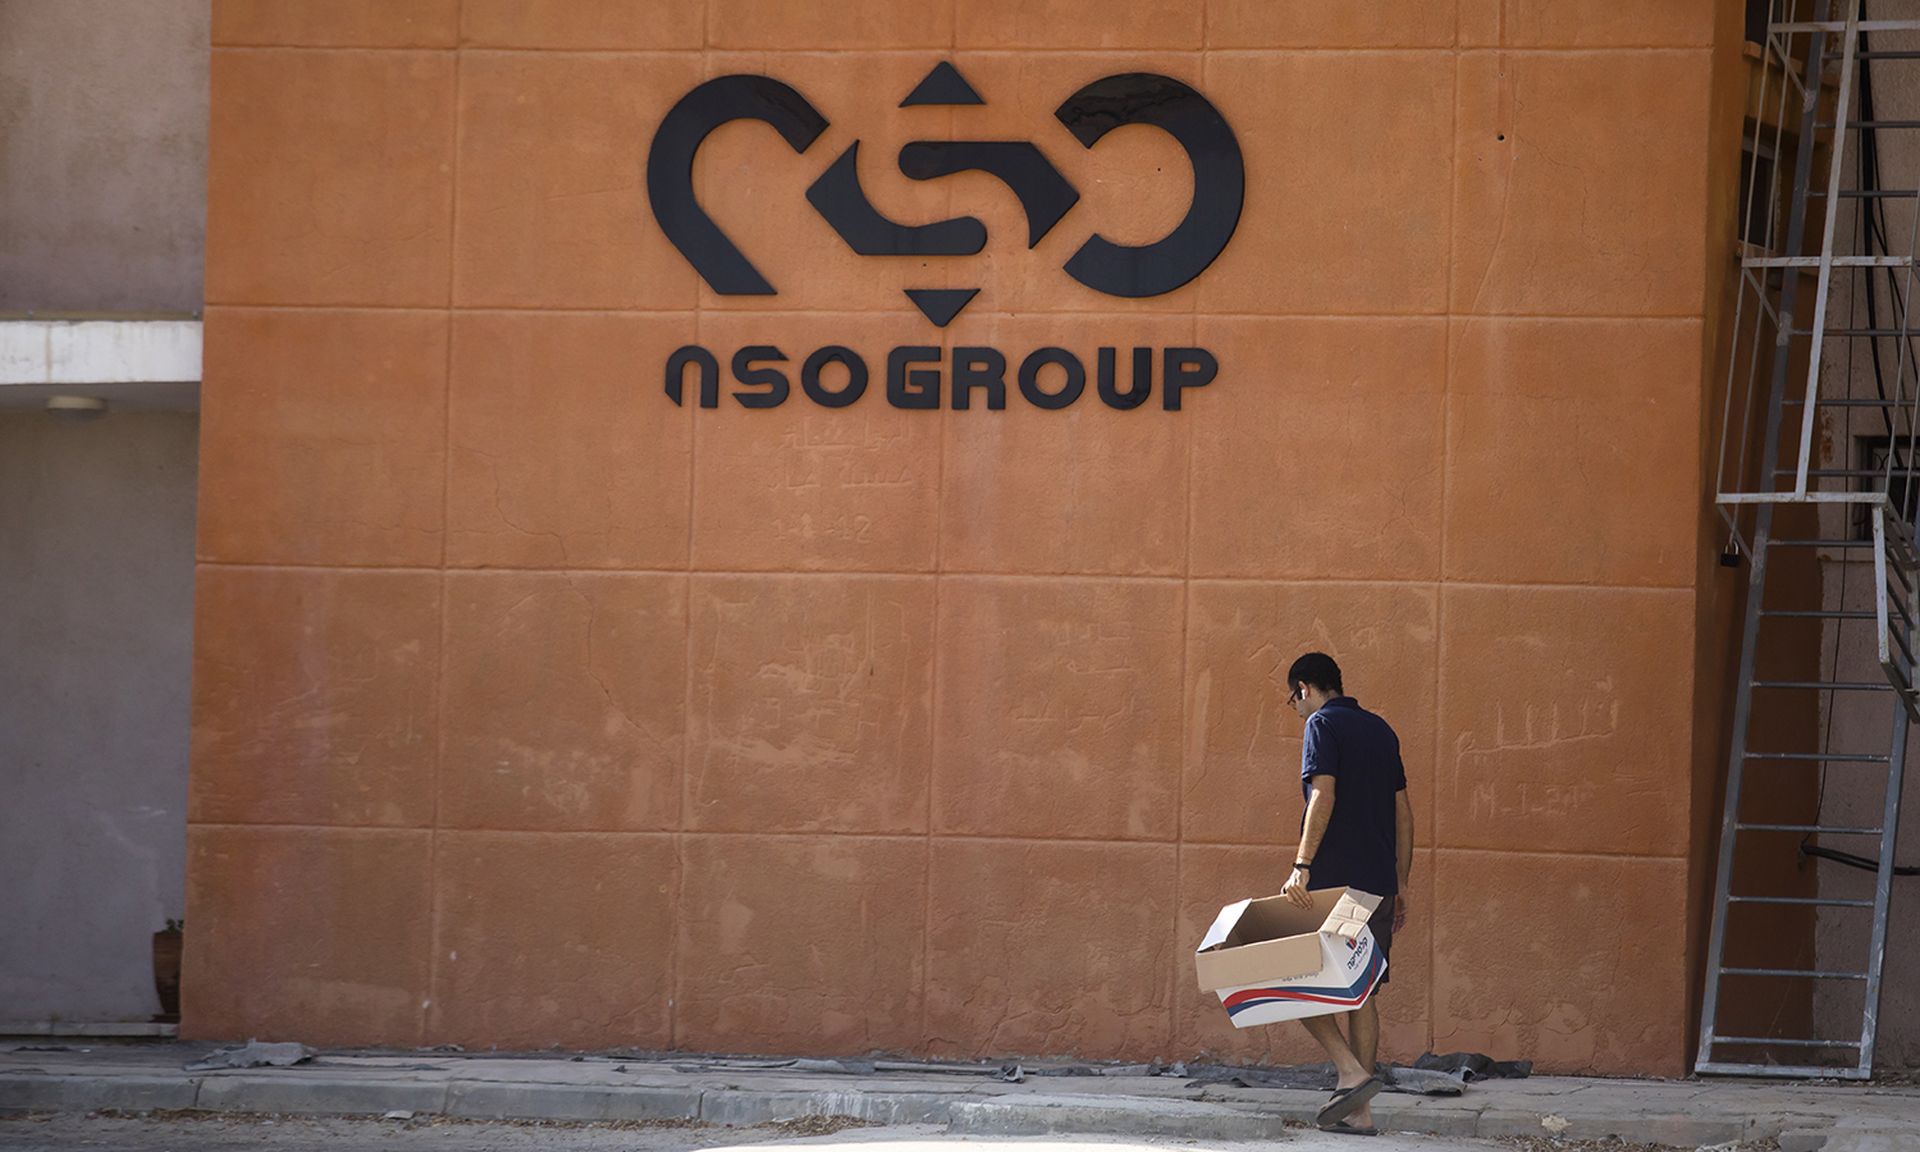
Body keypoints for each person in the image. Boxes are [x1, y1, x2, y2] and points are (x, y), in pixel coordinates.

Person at [1280, 652, 1414, 1136]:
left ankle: (1351, 1072)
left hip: (1337, 884)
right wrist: (1401, 883)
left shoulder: (1321, 724)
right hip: (1378, 882)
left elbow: (1324, 794)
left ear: (1305, 688)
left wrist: (1301, 866)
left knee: (1285, 976)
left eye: (1293, 698)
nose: (1295, 707)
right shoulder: (1381, 731)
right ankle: (1359, 1112)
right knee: (1360, 993)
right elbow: (1403, 812)